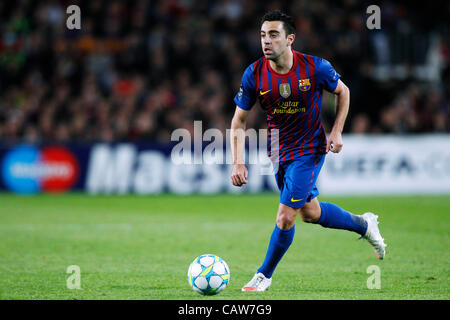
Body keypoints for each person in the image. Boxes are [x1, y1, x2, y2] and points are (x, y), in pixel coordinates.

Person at [229, 10, 386, 292]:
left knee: (285, 216)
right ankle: (364, 224)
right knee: (310, 213)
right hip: (279, 153)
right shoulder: (254, 73)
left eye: (274, 35)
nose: (266, 41)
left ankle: (263, 275)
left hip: (309, 150)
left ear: (290, 39)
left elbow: (344, 92)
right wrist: (237, 162)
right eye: (263, 35)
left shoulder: (315, 68)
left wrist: (336, 131)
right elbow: (239, 120)